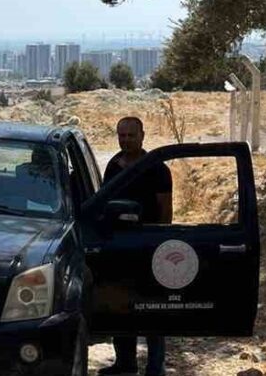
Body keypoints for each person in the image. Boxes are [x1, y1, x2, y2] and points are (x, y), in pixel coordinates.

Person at [98, 116, 172, 376]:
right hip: (119, 244)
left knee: (153, 307)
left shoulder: (157, 168)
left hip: (149, 243)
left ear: (142, 136)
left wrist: (159, 241)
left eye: (131, 135)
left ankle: (155, 367)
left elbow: (165, 209)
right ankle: (125, 362)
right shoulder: (114, 166)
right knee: (120, 303)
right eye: (122, 135)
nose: (126, 140)